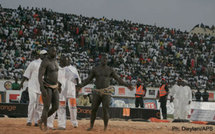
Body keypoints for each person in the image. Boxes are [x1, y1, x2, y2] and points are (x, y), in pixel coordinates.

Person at [77, 54, 133, 131]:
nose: (104, 60)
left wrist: (127, 85)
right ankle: (91, 126)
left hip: (106, 91)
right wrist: (81, 85)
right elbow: (88, 79)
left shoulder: (110, 70)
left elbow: (118, 79)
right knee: (93, 109)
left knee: (105, 110)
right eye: (103, 59)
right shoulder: (95, 69)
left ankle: (105, 127)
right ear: (101, 60)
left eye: (106, 59)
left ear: (107, 60)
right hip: (97, 91)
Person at [19, 50, 47, 126]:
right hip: (32, 86)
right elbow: (26, 74)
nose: (45, 56)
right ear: (40, 55)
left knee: (39, 105)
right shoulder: (34, 63)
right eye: (44, 55)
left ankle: (37, 121)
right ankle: (29, 120)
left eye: (46, 55)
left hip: (41, 88)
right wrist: (21, 83)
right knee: (32, 102)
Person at [38, 46, 60, 131]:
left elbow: (55, 74)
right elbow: (40, 76)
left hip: (55, 86)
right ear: (49, 52)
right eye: (53, 51)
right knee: (46, 107)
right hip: (47, 86)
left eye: (55, 51)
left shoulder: (55, 60)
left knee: (55, 107)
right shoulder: (45, 62)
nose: (55, 53)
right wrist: (42, 88)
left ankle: (41, 120)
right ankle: (45, 126)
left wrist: (59, 84)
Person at [47, 56, 68, 130]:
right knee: (53, 107)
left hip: (63, 93)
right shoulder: (56, 68)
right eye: (65, 60)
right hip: (55, 90)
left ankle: (62, 125)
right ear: (61, 61)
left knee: (62, 108)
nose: (67, 62)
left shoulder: (67, 70)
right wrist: (58, 85)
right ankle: (49, 125)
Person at [64, 57, 82, 128]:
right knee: (61, 107)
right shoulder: (60, 68)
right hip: (62, 91)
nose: (67, 61)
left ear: (70, 61)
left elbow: (78, 81)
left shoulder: (73, 69)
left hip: (71, 91)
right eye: (66, 60)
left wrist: (77, 91)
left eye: (68, 60)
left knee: (73, 108)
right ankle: (61, 123)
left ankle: (74, 123)